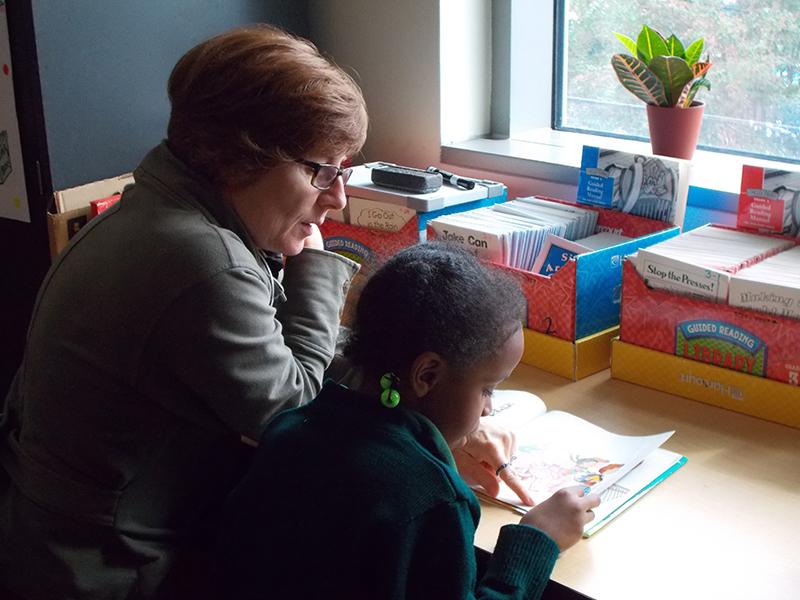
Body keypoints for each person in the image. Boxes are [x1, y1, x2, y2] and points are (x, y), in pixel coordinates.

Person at [0, 25, 367, 600]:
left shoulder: (156, 209)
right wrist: (315, 269)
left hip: (55, 535)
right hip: (103, 570)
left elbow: (262, 347)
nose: (337, 196)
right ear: (241, 158)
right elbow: (295, 419)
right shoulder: (203, 261)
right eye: (323, 171)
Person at [215, 243, 601, 600]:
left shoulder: (289, 429)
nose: (487, 410)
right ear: (427, 375)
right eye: (487, 388)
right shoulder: (432, 500)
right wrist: (534, 541)